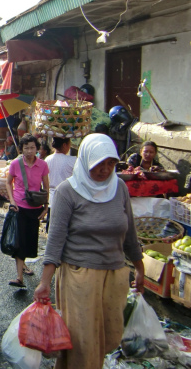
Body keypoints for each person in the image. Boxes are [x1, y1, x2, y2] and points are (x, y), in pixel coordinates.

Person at [34, 134, 144, 369]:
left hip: (114, 274)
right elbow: (55, 240)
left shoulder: (119, 188)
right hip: (79, 275)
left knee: (107, 338)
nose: (105, 170)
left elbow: (130, 234)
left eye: (111, 163)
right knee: (84, 342)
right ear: (85, 160)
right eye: (99, 164)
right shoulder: (67, 191)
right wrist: (44, 282)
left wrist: (140, 268)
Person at [5, 133, 50, 288]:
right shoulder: (15, 164)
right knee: (20, 241)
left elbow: (46, 187)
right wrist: (12, 201)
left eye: (32, 148)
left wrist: (46, 207)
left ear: (37, 149)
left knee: (30, 240)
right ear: (21, 149)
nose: (30, 151)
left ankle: (23, 265)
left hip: (35, 207)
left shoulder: (43, 165)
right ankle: (19, 277)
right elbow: (8, 182)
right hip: (19, 207)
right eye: (26, 148)